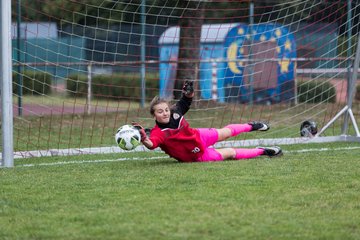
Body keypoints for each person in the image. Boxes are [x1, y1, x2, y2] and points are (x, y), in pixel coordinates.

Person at [133, 81, 283, 163]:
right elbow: (152, 145)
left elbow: (186, 100)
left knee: (226, 132)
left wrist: (189, 92)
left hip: (199, 136)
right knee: (230, 153)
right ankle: (262, 151)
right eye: (160, 111)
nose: (165, 113)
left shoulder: (176, 112)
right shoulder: (158, 133)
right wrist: (143, 138)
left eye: (166, 109)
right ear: (154, 116)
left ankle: (252, 126)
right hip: (195, 156)